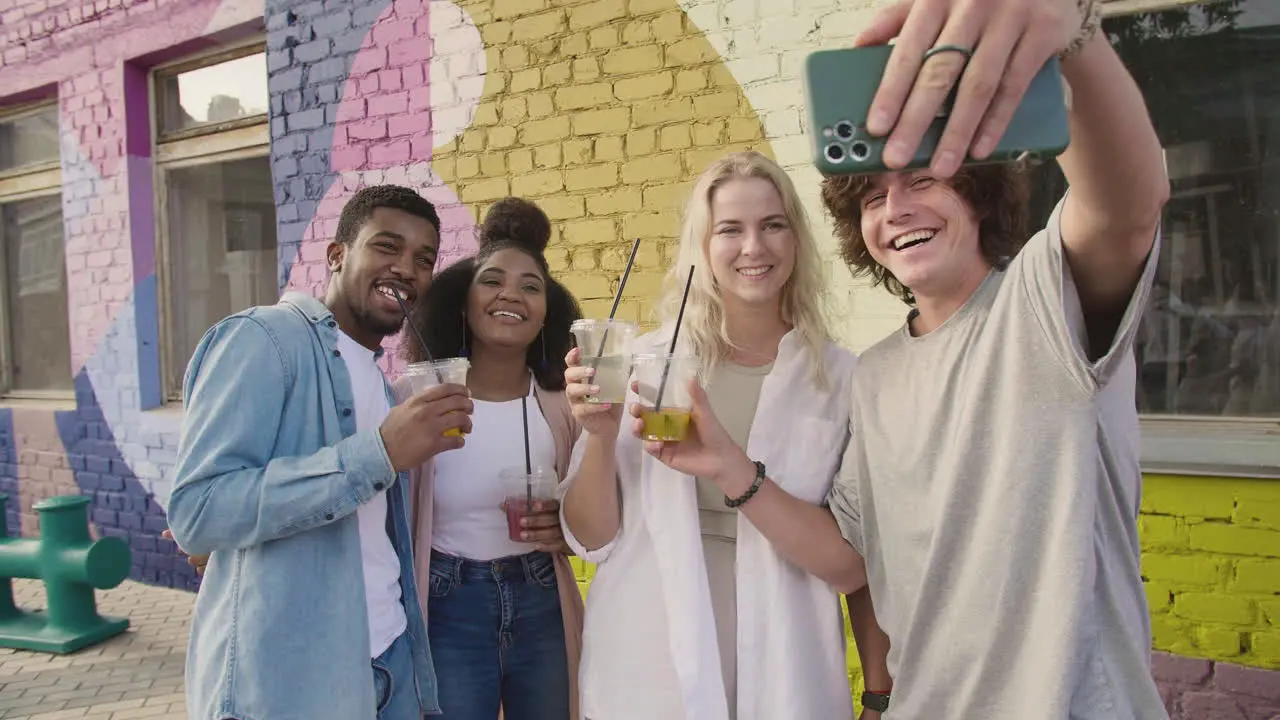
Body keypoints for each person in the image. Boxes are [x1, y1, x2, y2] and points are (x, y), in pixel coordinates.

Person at [817, 0, 1172, 716]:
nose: (897, 211)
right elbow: (849, 555)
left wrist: (1073, 32)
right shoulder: (875, 373)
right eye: (873, 198)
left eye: (922, 180)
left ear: (975, 194)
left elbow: (1127, 208)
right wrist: (719, 464)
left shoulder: (1041, 303)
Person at [560, 150, 864, 720]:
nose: (754, 247)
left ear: (796, 239)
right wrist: (599, 438)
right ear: (703, 247)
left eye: (773, 225)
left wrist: (732, 467)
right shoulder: (646, 364)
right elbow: (591, 539)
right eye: (731, 229)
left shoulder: (841, 380)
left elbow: (850, 567)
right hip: (647, 653)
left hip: (785, 659)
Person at [166, 185, 472, 720]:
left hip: (391, 657)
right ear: (337, 255)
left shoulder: (380, 384)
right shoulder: (263, 338)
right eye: (387, 247)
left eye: (423, 259)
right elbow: (198, 512)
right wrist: (377, 453)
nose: (406, 268)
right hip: (294, 680)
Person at [394, 197, 585, 720]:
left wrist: (568, 528)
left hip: (541, 595)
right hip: (448, 600)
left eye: (531, 286)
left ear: (547, 311)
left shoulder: (568, 406)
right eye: (492, 280)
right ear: (462, 301)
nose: (511, 295)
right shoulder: (415, 401)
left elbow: (603, 513)